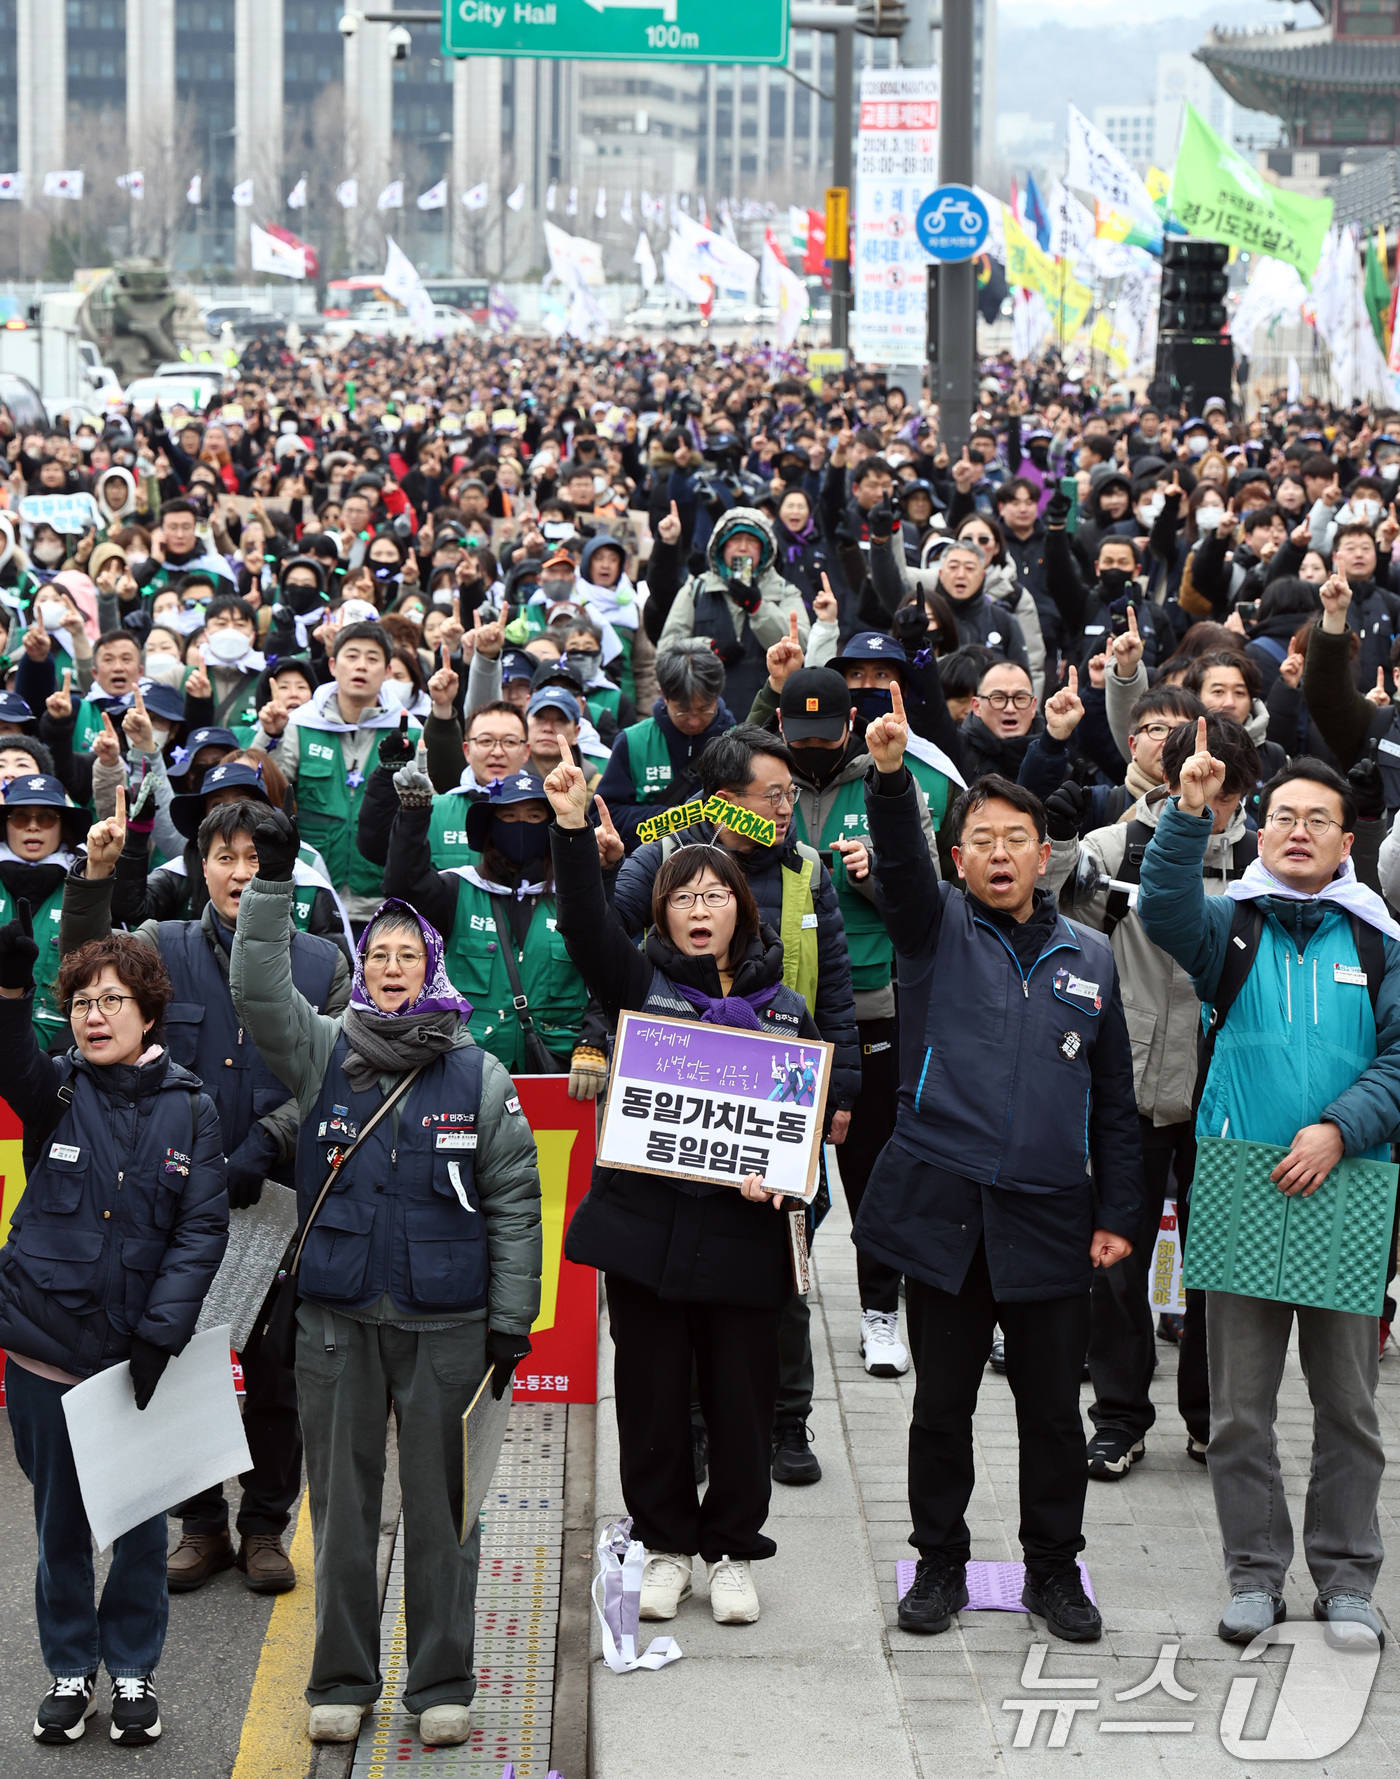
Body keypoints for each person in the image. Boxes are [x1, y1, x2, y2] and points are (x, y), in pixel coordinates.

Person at [229, 813, 542, 1749]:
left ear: (432, 966)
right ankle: (341, 1679)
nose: (393, 965)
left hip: (449, 1327)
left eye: (409, 953)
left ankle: (441, 1682)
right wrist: (272, 883)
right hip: (335, 1321)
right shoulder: (326, 1051)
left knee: (446, 1513)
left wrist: (512, 1321)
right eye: (378, 954)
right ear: (360, 969)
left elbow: (515, 1202)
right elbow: (258, 987)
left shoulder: (479, 1075)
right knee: (342, 1513)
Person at [854, 682, 1145, 1644]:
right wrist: (889, 777)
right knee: (940, 1406)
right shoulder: (932, 927)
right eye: (981, 839)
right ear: (959, 857)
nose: (999, 853)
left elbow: (1115, 1098)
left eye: (1016, 838)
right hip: (946, 1207)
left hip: (1051, 1213)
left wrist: (1119, 1213)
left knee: (1053, 1413)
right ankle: (939, 1561)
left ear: (1043, 852)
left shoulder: (1091, 957)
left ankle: (1052, 1570)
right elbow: (899, 866)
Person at [545, 756, 821, 1628]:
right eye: (683, 897)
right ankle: (664, 1544)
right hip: (647, 1235)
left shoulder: (786, 1012)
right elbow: (584, 926)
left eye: (715, 894)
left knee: (741, 1399)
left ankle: (733, 1550)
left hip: (743, 1239)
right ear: (662, 914)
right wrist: (569, 830)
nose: (700, 909)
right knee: (653, 1397)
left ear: (742, 907)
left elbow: (804, 1133)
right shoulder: (640, 987)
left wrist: (783, 1181)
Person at [1137, 739, 1400, 1648]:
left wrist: (1339, 1128)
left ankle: (1347, 1578)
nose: (1298, 831)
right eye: (1283, 816)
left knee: (1349, 1407)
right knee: (1240, 1410)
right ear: (1260, 831)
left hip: (1349, 1188)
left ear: (1346, 842)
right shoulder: (1230, 927)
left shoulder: (1376, 940)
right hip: (1242, 1187)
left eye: (1318, 820)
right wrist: (1188, 810)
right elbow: (1162, 908)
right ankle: (1253, 1573)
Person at [62, 791, 351, 1594]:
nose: (239, 871)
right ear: (202, 865)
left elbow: (333, 1074)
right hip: (172, 1201)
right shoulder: (161, 944)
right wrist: (96, 875)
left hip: (276, 1200)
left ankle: (263, 1527)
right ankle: (199, 1525)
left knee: (274, 1371)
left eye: (254, 857)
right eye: (225, 856)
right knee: (179, 1362)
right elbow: (88, 982)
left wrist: (271, 1138)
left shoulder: (323, 962)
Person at [0, 924, 227, 1745]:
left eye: (111, 1000)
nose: (93, 1015)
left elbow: (200, 1231)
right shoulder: (55, 1090)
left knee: (136, 1527)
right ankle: (70, 1668)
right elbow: (10, 1055)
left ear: (149, 1012)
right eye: (81, 1002)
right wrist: (10, 991)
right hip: (43, 1351)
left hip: (138, 1359)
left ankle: (133, 1668)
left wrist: (160, 1337)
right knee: (58, 1523)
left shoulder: (192, 1109)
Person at [1045, 715, 1260, 1478]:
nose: (1218, 809)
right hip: (1128, 1089)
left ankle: (1210, 1417)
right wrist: (1060, 840)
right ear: (1169, 779)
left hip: (1226, 1096)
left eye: (1231, 797)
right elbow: (1047, 911)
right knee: (1115, 1262)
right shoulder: (1116, 848)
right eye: (1205, 791)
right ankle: (1119, 1417)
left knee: (1220, 1267)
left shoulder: (1259, 864)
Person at [377, 763, 594, 1075]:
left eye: (534, 817)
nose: (521, 825)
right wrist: (414, 815)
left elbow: (606, 977)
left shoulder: (575, 896)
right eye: (509, 816)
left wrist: (593, 1042)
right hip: (470, 1067)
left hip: (560, 1069)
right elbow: (401, 886)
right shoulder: (457, 888)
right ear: (491, 828)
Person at [253, 620, 421, 922]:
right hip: (311, 890)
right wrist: (269, 735)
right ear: (332, 665)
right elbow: (266, 792)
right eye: (352, 656)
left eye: (372, 658)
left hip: (382, 897)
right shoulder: (301, 725)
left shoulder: (410, 733)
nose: (361, 666)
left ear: (386, 672)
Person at [656, 508, 810, 721]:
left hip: (767, 714)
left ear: (764, 549)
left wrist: (758, 607)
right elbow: (666, 650)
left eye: (752, 541)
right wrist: (709, 648)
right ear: (721, 547)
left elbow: (801, 645)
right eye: (735, 539)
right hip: (705, 716)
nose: (743, 547)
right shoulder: (696, 589)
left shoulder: (784, 592)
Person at [595, 639, 735, 852]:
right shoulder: (633, 742)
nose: (694, 721)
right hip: (650, 864)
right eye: (682, 710)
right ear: (663, 695)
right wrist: (667, 819)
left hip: (723, 864)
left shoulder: (737, 744)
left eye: (704, 709)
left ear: (717, 695)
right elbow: (604, 816)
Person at [0, 774, 87, 1048]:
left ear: (63, 826)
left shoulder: (86, 886)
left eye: (47, 817)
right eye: (20, 817)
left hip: (60, 1051)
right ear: (5, 825)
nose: (33, 826)